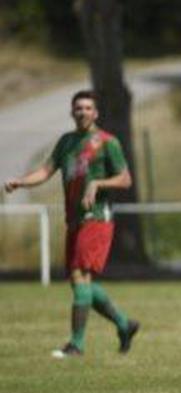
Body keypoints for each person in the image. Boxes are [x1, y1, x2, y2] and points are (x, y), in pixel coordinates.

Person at [3, 90, 140, 358]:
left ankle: (76, 345)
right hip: (75, 219)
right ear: (71, 112)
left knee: (80, 276)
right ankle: (124, 324)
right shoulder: (66, 142)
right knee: (80, 281)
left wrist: (97, 182)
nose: (82, 112)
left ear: (96, 113)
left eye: (88, 108)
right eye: (78, 108)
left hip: (97, 218)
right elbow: (45, 171)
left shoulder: (106, 142)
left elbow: (125, 179)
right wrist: (20, 181)